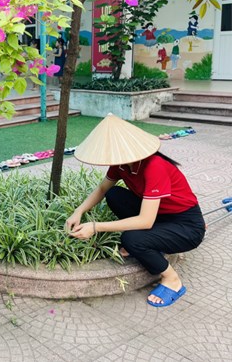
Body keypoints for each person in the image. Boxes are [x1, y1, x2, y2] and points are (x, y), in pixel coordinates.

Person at [66, 114, 205, 308]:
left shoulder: (154, 166)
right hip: (159, 215)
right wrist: (78, 211)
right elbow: (103, 188)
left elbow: (146, 221)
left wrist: (95, 227)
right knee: (114, 194)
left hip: (186, 226)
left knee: (132, 239)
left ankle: (172, 279)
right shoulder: (120, 164)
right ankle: (154, 240)